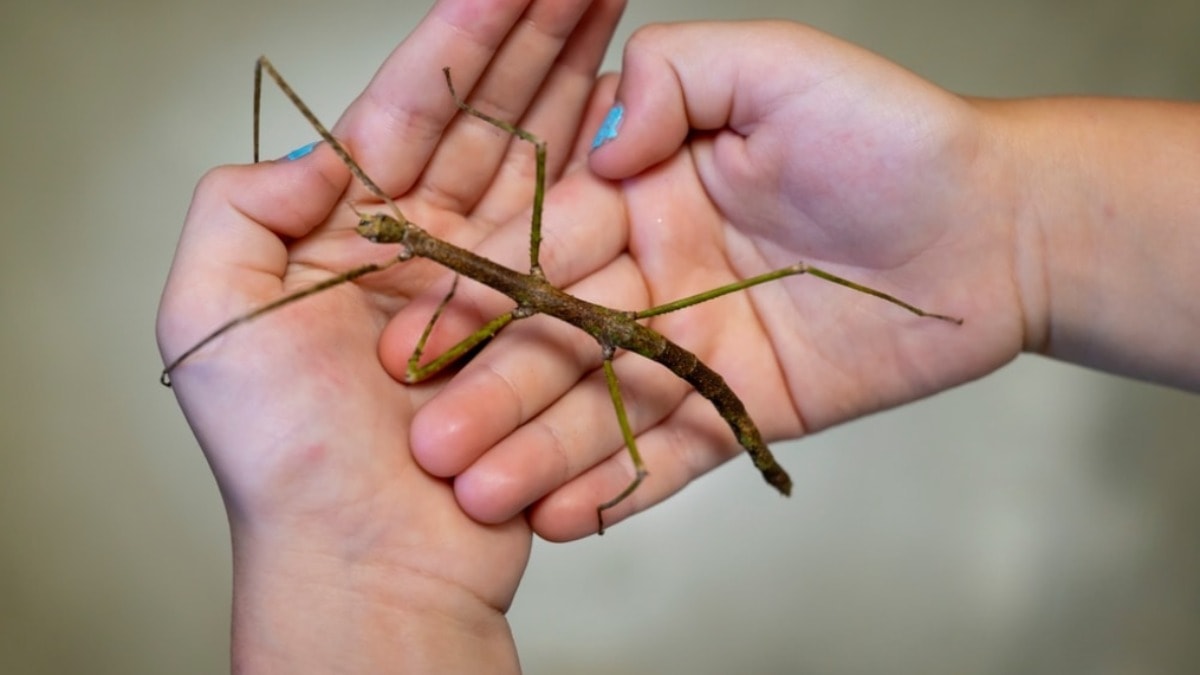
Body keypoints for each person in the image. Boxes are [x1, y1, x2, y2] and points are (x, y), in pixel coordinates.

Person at [157, 0, 1199, 670]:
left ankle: (864, 353)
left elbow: (517, 147)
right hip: (624, 335)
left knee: (786, 268)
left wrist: (1019, 226)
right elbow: (512, 151)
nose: (385, 234)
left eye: (390, 235)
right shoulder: (449, 259)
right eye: (391, 236)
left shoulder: (477, 271)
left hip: (645, 339)